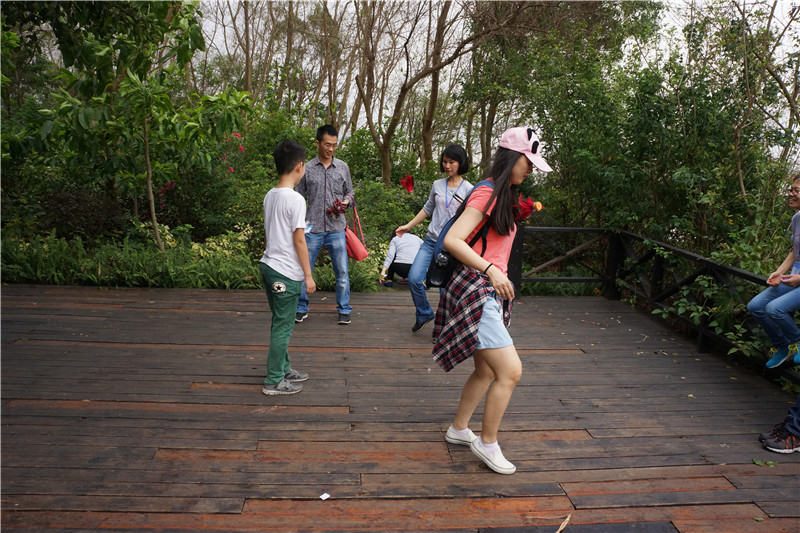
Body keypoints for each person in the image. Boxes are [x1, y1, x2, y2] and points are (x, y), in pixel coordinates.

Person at [433, 127, 552, 475]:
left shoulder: (504, 195)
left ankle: (459, 429)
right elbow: (453, 240)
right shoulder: (486, 193)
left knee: (486, 370)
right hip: (477, 287)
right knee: (510, 371)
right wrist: (491, 270)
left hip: (488, 287)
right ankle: (488, 444)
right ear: (512, 158)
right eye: (528, 163)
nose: (530, 170)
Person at [259, 140, 316, 396]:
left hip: (269, 266)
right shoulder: (295, 199)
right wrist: (308, 275)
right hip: (285, 272)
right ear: (300, 166)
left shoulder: (270, 195)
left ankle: (283, 369)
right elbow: (299, 240)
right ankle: (274, 380)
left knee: (280, 321)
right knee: (283, 326)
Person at [396, 144, 474, 332]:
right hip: (431, 242)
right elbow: (428, 208)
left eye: (451, 162)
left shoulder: (469, 190)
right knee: (414, 279)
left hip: (452, 246)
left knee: (445, 290)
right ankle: (424, 313)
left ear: (461, 162)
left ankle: (443, 328)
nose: (447, 165)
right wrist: (408, 226)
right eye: (445, 161)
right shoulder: (437, 185)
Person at [295, 124, 355, 325]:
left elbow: (350, 193)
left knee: (342, 272)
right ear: (317, 143)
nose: (331, 149)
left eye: (334, 145)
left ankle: (344, 309)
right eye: (327, 144)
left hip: (337, 228)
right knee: (304, 270)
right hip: (312, 228)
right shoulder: (307, 168)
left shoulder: (343, 167)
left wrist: (346, 201)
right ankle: (301, 307)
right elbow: (298, 197)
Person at [747, 174, 800, 369]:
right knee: (755, 306)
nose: (791, 194)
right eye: (790, 189)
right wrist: (779, 272)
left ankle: (797, 342)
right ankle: (782, 345)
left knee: (775, 309)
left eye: (796, 190)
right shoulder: (797, 218)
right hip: (794, 275)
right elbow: (795, 251)